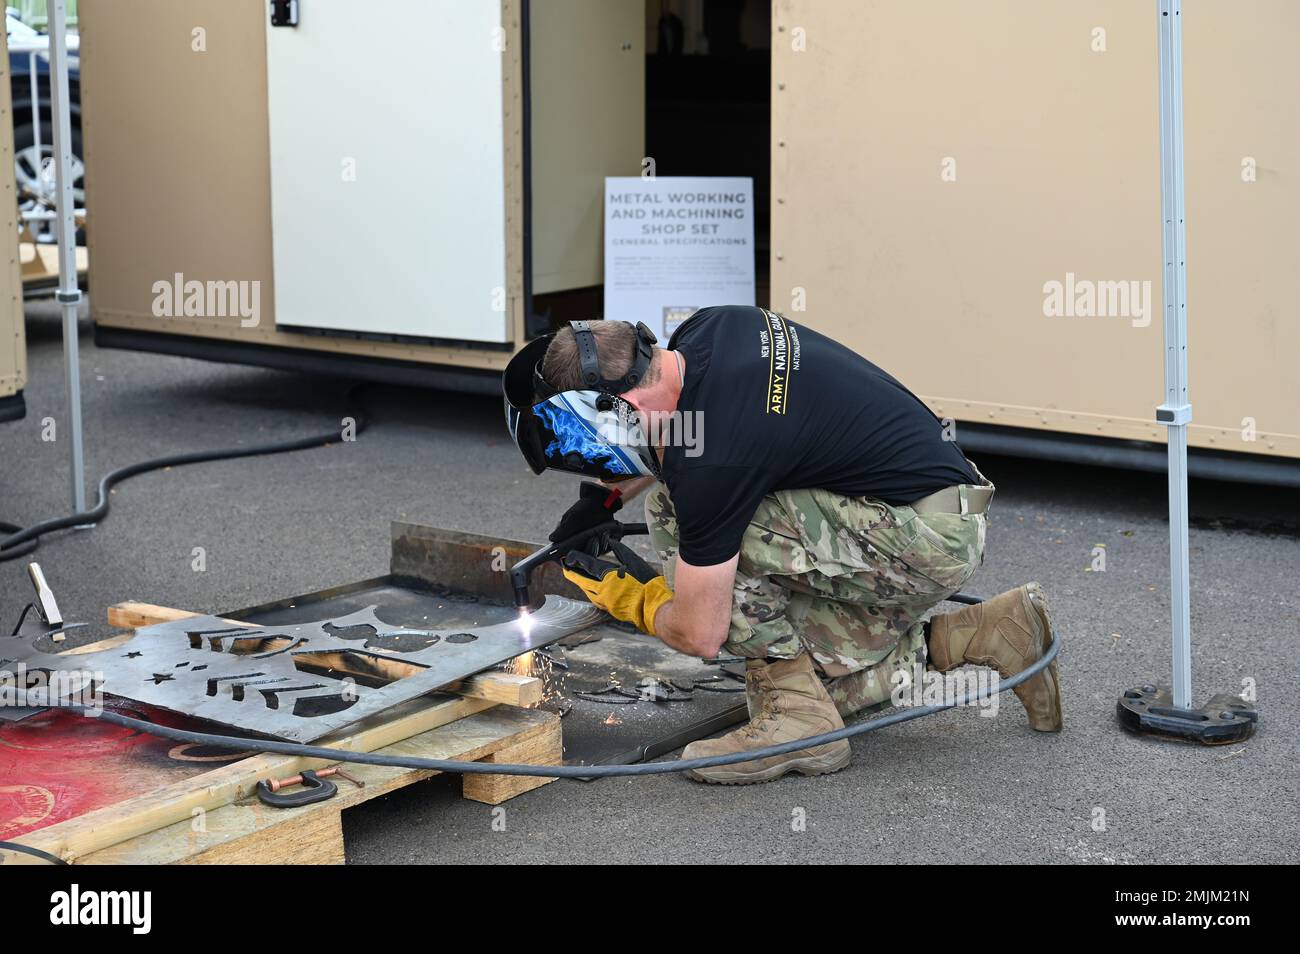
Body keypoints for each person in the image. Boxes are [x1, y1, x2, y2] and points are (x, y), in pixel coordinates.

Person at [503, 306, 1061, 785]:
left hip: (926, 539)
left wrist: (631, 598)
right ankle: (986, 632)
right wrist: (602, 502)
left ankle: (799, 726)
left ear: (616, 411)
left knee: (675, 512)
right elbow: (691, 429)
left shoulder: (711, 469)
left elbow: (701, 634)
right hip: (933, 501)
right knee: (815, 688)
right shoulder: (708, 332)